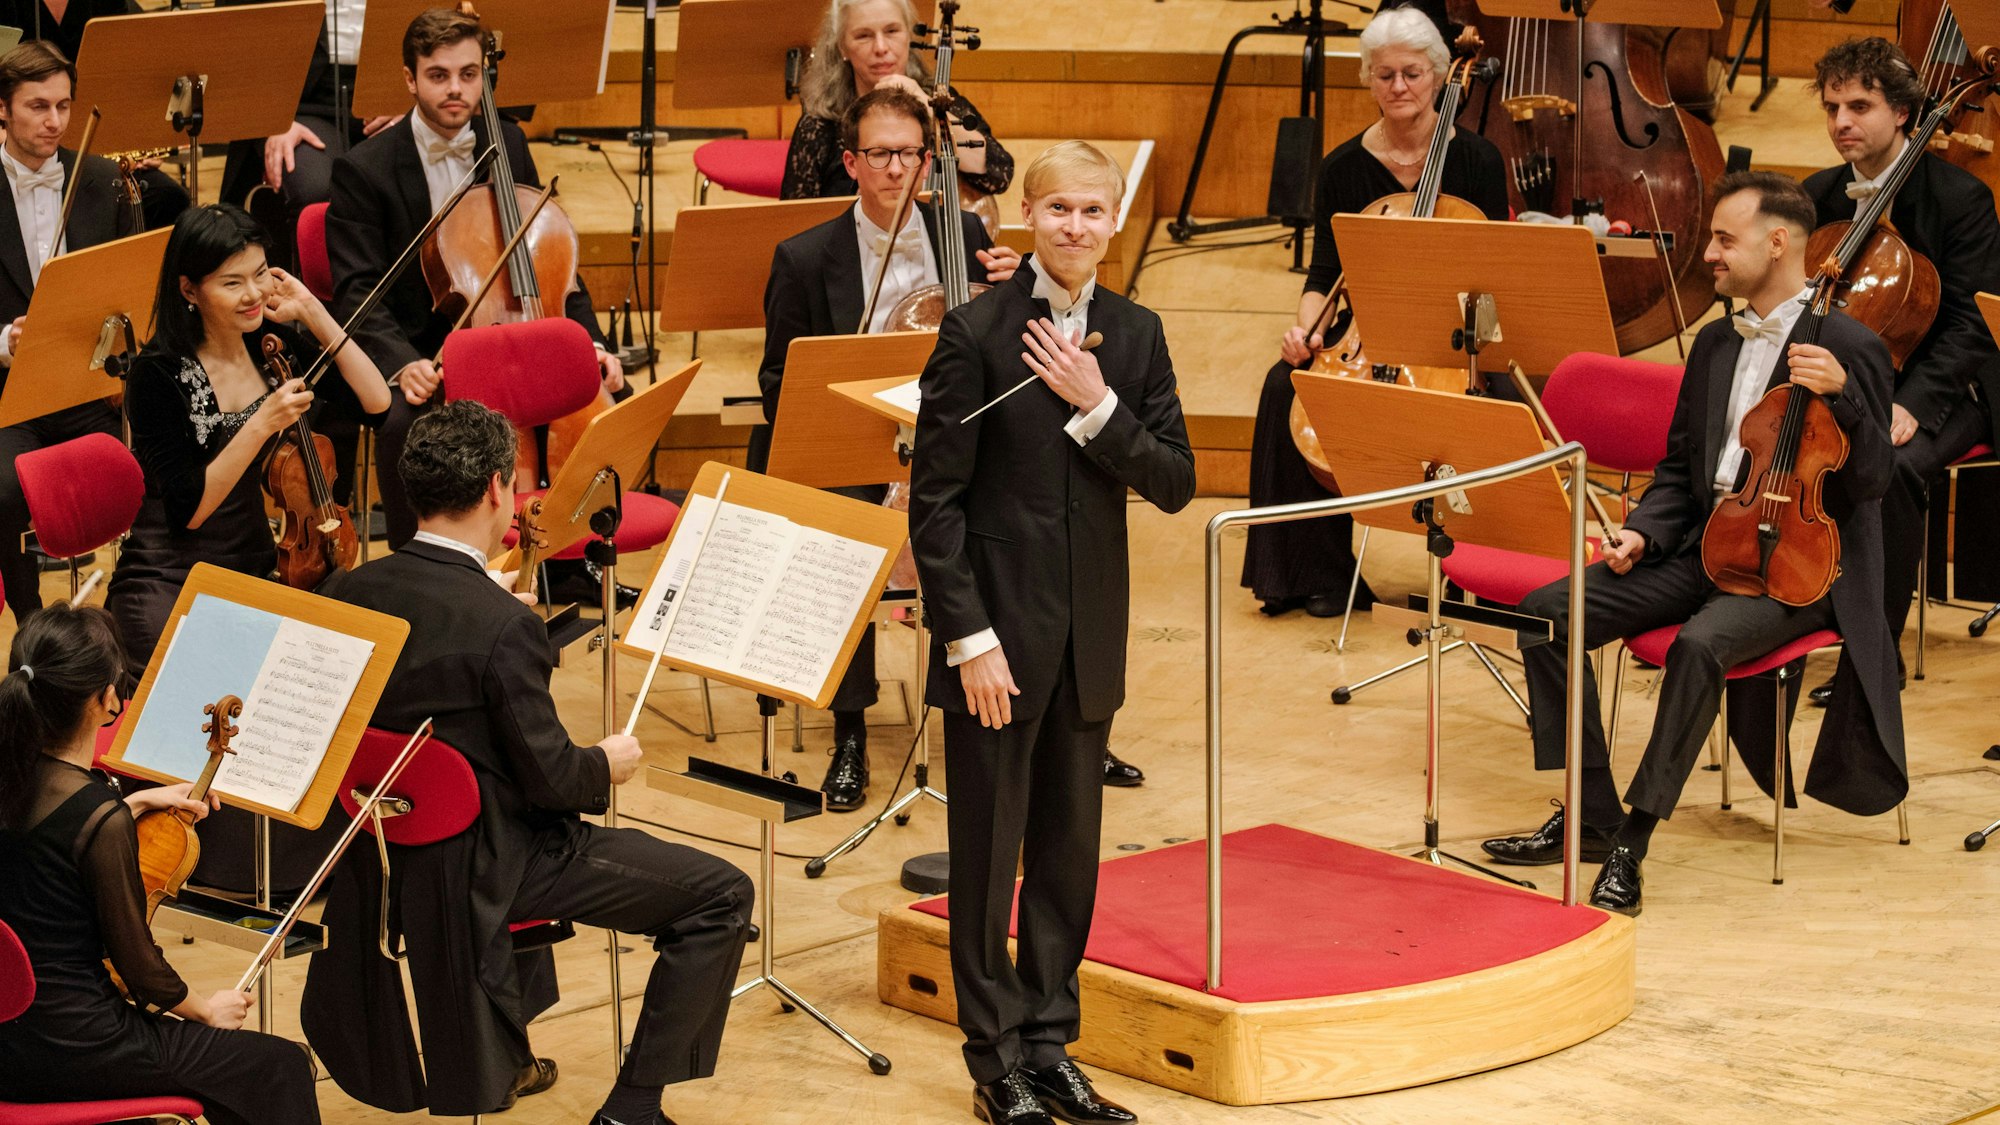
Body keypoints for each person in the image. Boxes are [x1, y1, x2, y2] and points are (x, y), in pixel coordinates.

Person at [304, 400, 753, 1125]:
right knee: (721, 894)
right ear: (494, 490)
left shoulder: (348, 590)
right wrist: (607, 762)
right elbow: (555, 782)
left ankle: (508, 1054)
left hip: (384, 856)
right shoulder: (504, 625)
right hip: (495, 863)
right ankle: (634, 1105)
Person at [1479, 172, 1904, 915]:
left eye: (1723, 239)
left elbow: (1873, 481)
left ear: (1778, 243)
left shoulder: (1847, 342)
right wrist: (1644, 533)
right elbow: (1681, 467)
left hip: (1797, 570)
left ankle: (1631, 843)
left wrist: (1849, 396)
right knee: (1547, 614)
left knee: (1699, 646)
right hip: (1701, 548)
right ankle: (1592, 813)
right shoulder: (1715, 341)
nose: (1707, 251)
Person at [911, 141, 1195, 1124]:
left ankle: (1047, 1043)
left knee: (1067, 860)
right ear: (1027, 215)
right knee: (987, 861)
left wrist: (1097, 405)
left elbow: (1171, 481)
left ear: (1113, 223)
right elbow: (935, 506)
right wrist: (968, 642)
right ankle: (992, 1061)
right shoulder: (975, 332)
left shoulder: (1138, 333)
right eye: (1058, 209)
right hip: (995, 646)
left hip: (1087, 645)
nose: (1075, 227)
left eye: (1093, 211)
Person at [760, 85, 1015, 812]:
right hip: (860, 445)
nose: (895, 169)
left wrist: (1013, 291)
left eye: (908, 154)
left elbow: (999, 348)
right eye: (879, 155)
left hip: (954, 441)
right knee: (839, 533)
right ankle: (849, 729)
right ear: (851, 161)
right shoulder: (807, 259)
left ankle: (1006, 705)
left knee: (1019, 517)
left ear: (928, 159)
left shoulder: (964, 235)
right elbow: (780, 379)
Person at [326, 6, 624, 601]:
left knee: (604, 395)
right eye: (438, 75)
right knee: (405, 422)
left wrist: (588, 342)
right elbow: (358, 289)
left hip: (516, 332)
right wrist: (400, 362)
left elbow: (548, 252)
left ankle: (571, 561)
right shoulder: (364, 169)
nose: (456, 89)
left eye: (469, 74)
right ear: (409, 79)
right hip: (430, 353)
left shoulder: (507, 140)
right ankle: (429, 586)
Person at [0, 604, 320, 1124]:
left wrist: (135, 804)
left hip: (11, 1040)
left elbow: (48, 843)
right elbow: (140, 967)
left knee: (231, 1072)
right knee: (278, 1065)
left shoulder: (12, 777)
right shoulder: (99, 818)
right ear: (107, 701)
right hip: (75, 1047)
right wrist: (205, 1008)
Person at [1240, 5, 1508, 618]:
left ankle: (1483, 579)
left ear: (1440, 75)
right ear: (1368, 79)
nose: (1398, 88)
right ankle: (1313, 574)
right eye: (1384, 75)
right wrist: (1305, 331)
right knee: (1287, 385)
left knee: (1498, 411)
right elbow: (1325, 270)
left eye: (1411, 74)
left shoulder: (1478, 162)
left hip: (1452, 334)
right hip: (1361, 333)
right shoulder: (1342, 167)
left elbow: (1498, 266)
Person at [1798, 37, 2000, 707]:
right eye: (1832, 108)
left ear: (1906, 112)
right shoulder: (1818, 194)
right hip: (1844, 378)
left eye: (1860, 106)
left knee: (1893, 464)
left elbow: (1972, 327)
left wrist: (1910, 402)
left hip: (1946, 384)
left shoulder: (1960, 197)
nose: (1841, 123)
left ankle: (1871, 656)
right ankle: (1782, 623)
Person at [107, 203, 388, 681]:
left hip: (259, 564)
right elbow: (189, 510)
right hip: (170, 574)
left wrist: (314, 313)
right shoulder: (157, 374)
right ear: (189, 289)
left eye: (259, 273)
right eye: (232, 283)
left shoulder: (268, 342)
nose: (253, 294)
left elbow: (376, 402)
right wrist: (261, 421)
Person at [0, 40, 139, 625]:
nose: (54, 121)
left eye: (63, 106)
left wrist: (118, 361)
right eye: (37, 106)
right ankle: (32, 623)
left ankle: (131, 609)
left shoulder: (105, 181)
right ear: (1, 109)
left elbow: (134, 295)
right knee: (4, 490)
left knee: (158, 462)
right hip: (9, 399)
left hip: (89, 386)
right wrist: (8, 340)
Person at [782, 0, 1011, 201]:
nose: (881, 48)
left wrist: (927, 105)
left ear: (909, 37)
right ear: (843, 47)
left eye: (892, 31)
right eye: (864, 36)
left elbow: (999, 173)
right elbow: (794, 221)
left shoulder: (938, 98)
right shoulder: (820, 125)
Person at [0, 2, 191, 230]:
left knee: (169, 198)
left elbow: (126, 78)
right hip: (17, 148)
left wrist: (137, 139)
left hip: (94, 148)